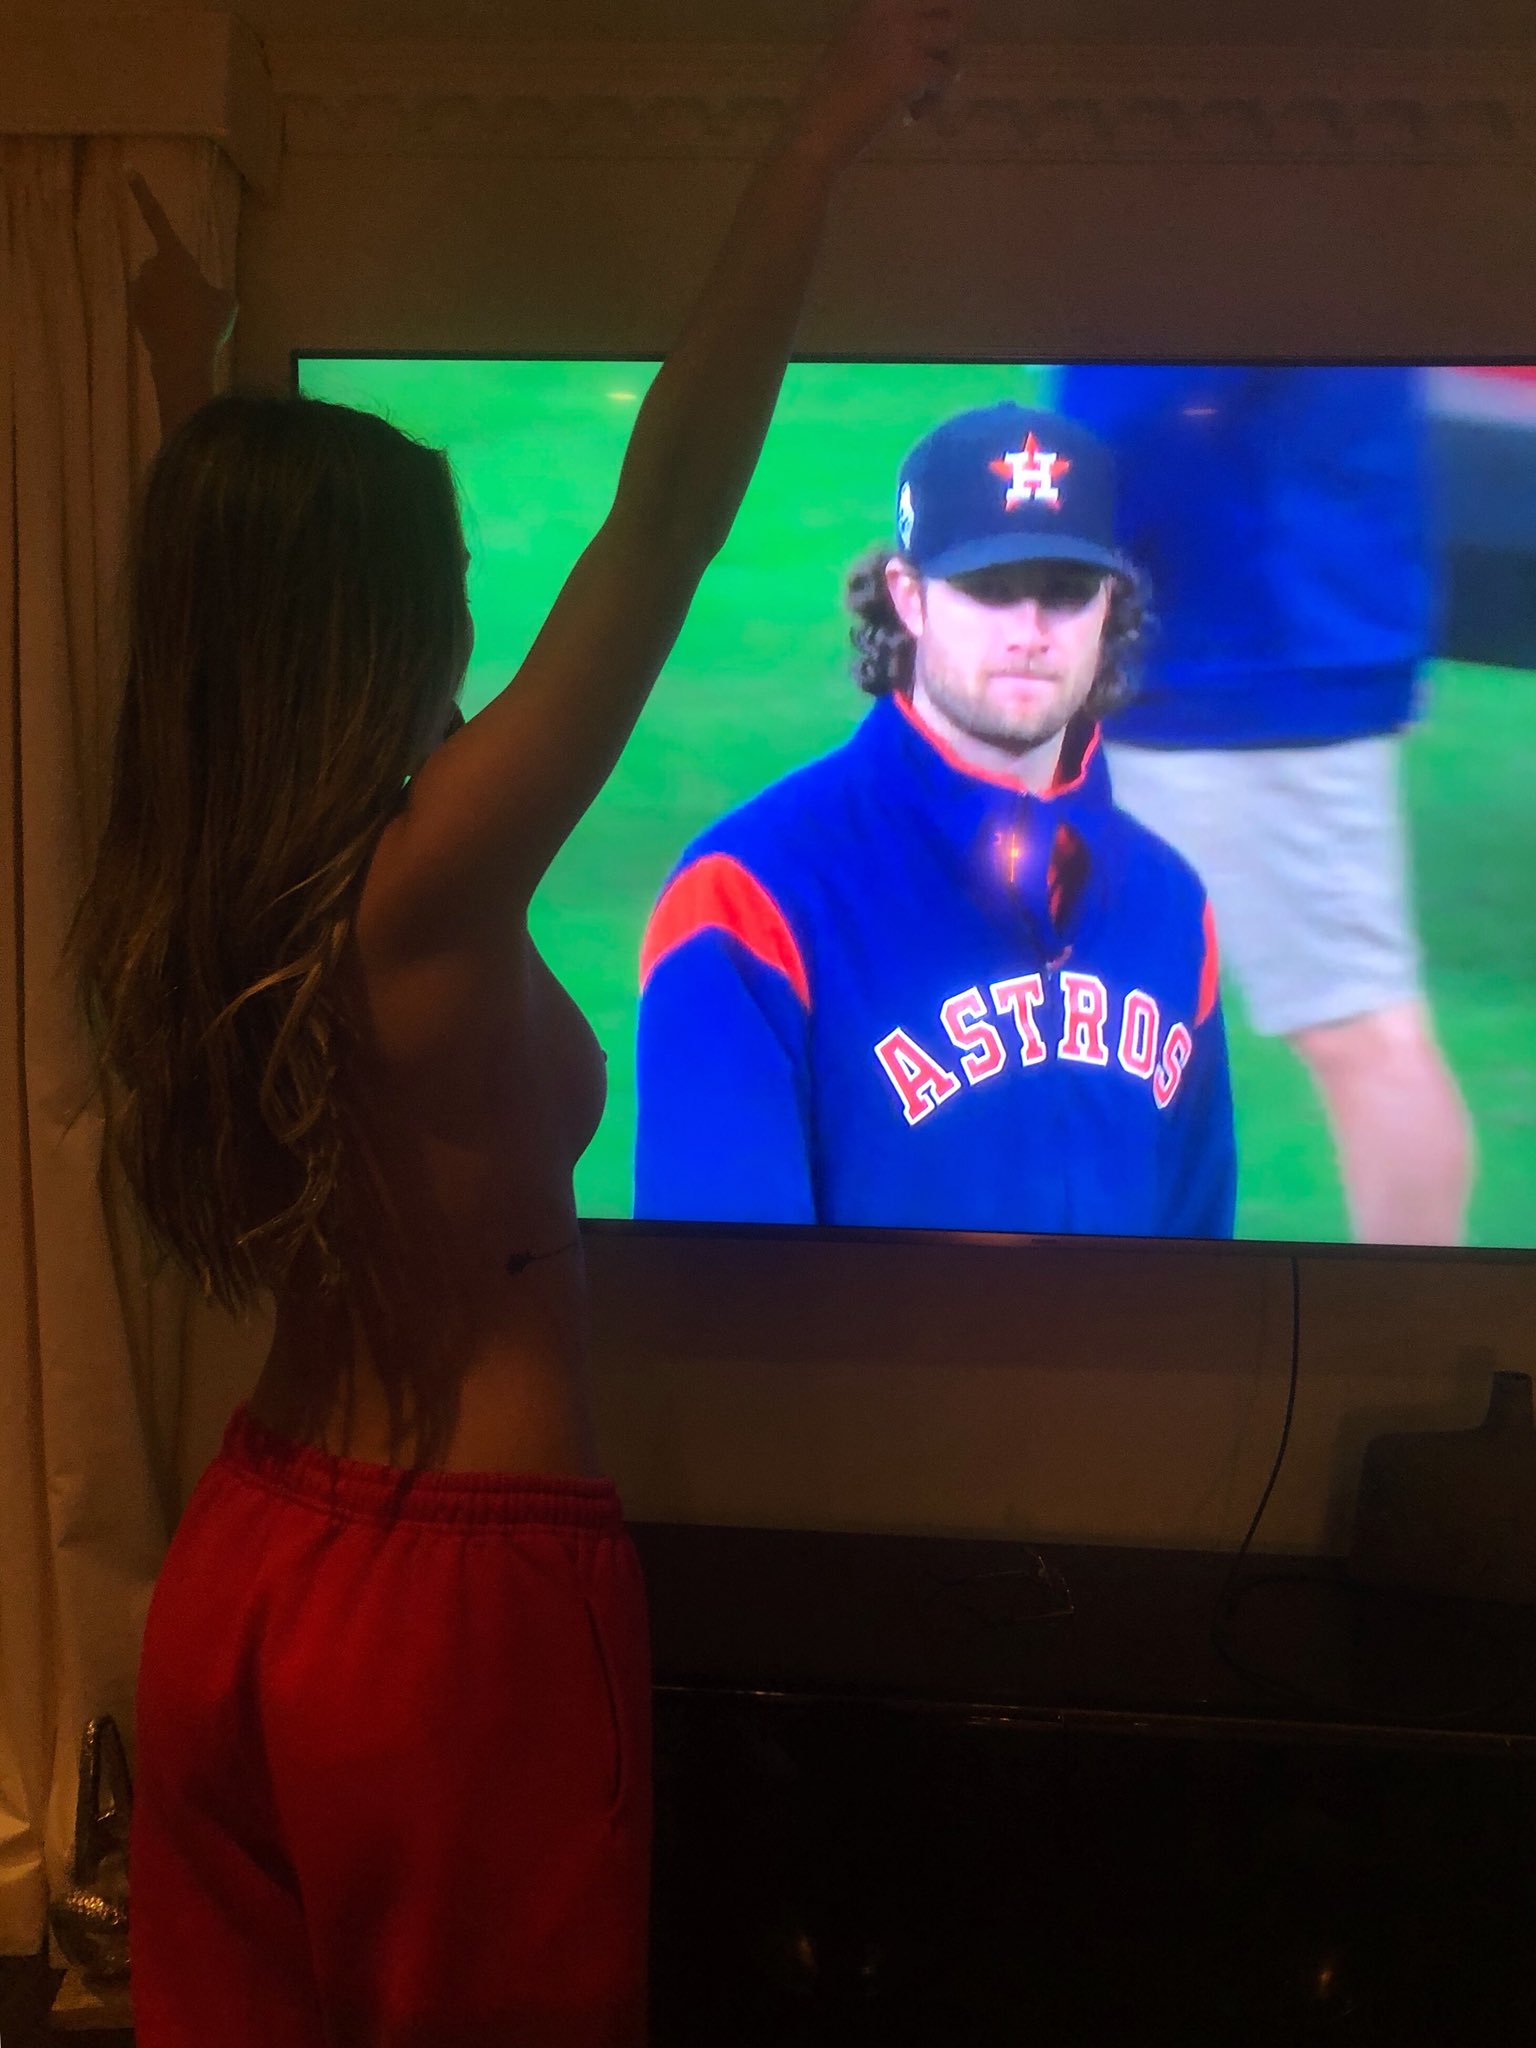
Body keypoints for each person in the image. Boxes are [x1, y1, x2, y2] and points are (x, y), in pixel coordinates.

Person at [69, 6, 968, 2043]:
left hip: (246, 1568)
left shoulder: (193, 875)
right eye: (453, 585)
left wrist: (184, 357)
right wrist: (818, 136)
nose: (477, 624)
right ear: (382, 627)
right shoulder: (417, 888)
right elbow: (668, 517)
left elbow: (220, 578)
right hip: (448, 1613)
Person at [633, 402, 1238, 1239]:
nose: (1029, 632)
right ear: (909, 599)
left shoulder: (1168, 906)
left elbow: (1200, 1271)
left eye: (1065, 592)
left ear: (1110, 605)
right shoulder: (753, 897)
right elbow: (717, 1289)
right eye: (990, 587)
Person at [1056, 364, 1474, 1245]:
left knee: (1357, 1029)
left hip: (1248, 652)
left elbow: (1147, 397)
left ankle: (1414, 1313)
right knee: (1087, 1003)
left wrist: (1051, 559)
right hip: (1234, 633)